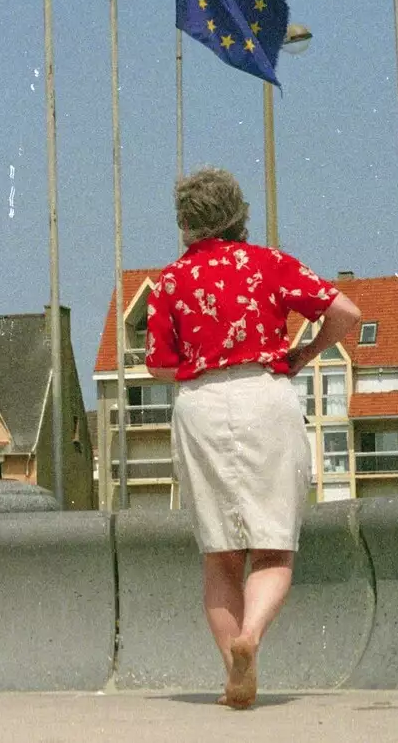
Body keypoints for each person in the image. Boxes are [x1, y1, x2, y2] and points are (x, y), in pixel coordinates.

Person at [144, 168, 360, 710]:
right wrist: (304, 353)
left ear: (186, 222)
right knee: (273, 545)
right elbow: (345, 313)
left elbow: (159, 367)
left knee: (221, 555)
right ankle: (253, 636)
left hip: (203, 406)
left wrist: (202, 363)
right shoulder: (268, 263)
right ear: (239, 214)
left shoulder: (170, 281)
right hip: (267, 395)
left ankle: (231, 668)